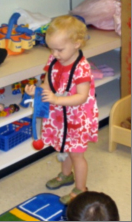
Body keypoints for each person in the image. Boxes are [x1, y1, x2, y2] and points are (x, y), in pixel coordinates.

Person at [25, 15, 98, 204]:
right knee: (65, 146)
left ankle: (81, 189)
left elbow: (81, 97)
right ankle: (66, 175)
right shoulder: (54, 60)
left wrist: (57, 98)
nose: (55, 54)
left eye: (59, 49)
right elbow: (48, 83)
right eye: (52, 49)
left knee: (77, 154)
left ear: (76, 44)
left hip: (76, 118)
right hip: (60, 116)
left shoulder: (82, 69)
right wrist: (38, 91)